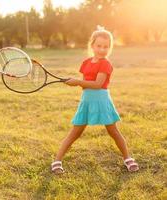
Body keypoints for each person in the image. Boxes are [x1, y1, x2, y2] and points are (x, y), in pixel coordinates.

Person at [51, 26, 139, 174]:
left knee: (114, 132)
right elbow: (86, 85)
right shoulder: (86, 63)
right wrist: (76, 83)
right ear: (92, 45)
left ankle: (128, 158)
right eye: (99, 46)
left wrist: (78, 81)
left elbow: (98, 84)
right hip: (87, 101)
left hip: (102, 100)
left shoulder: (105, 63)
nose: (102, 49)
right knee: (75, 133)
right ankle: (57, 160)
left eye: (106, 47)